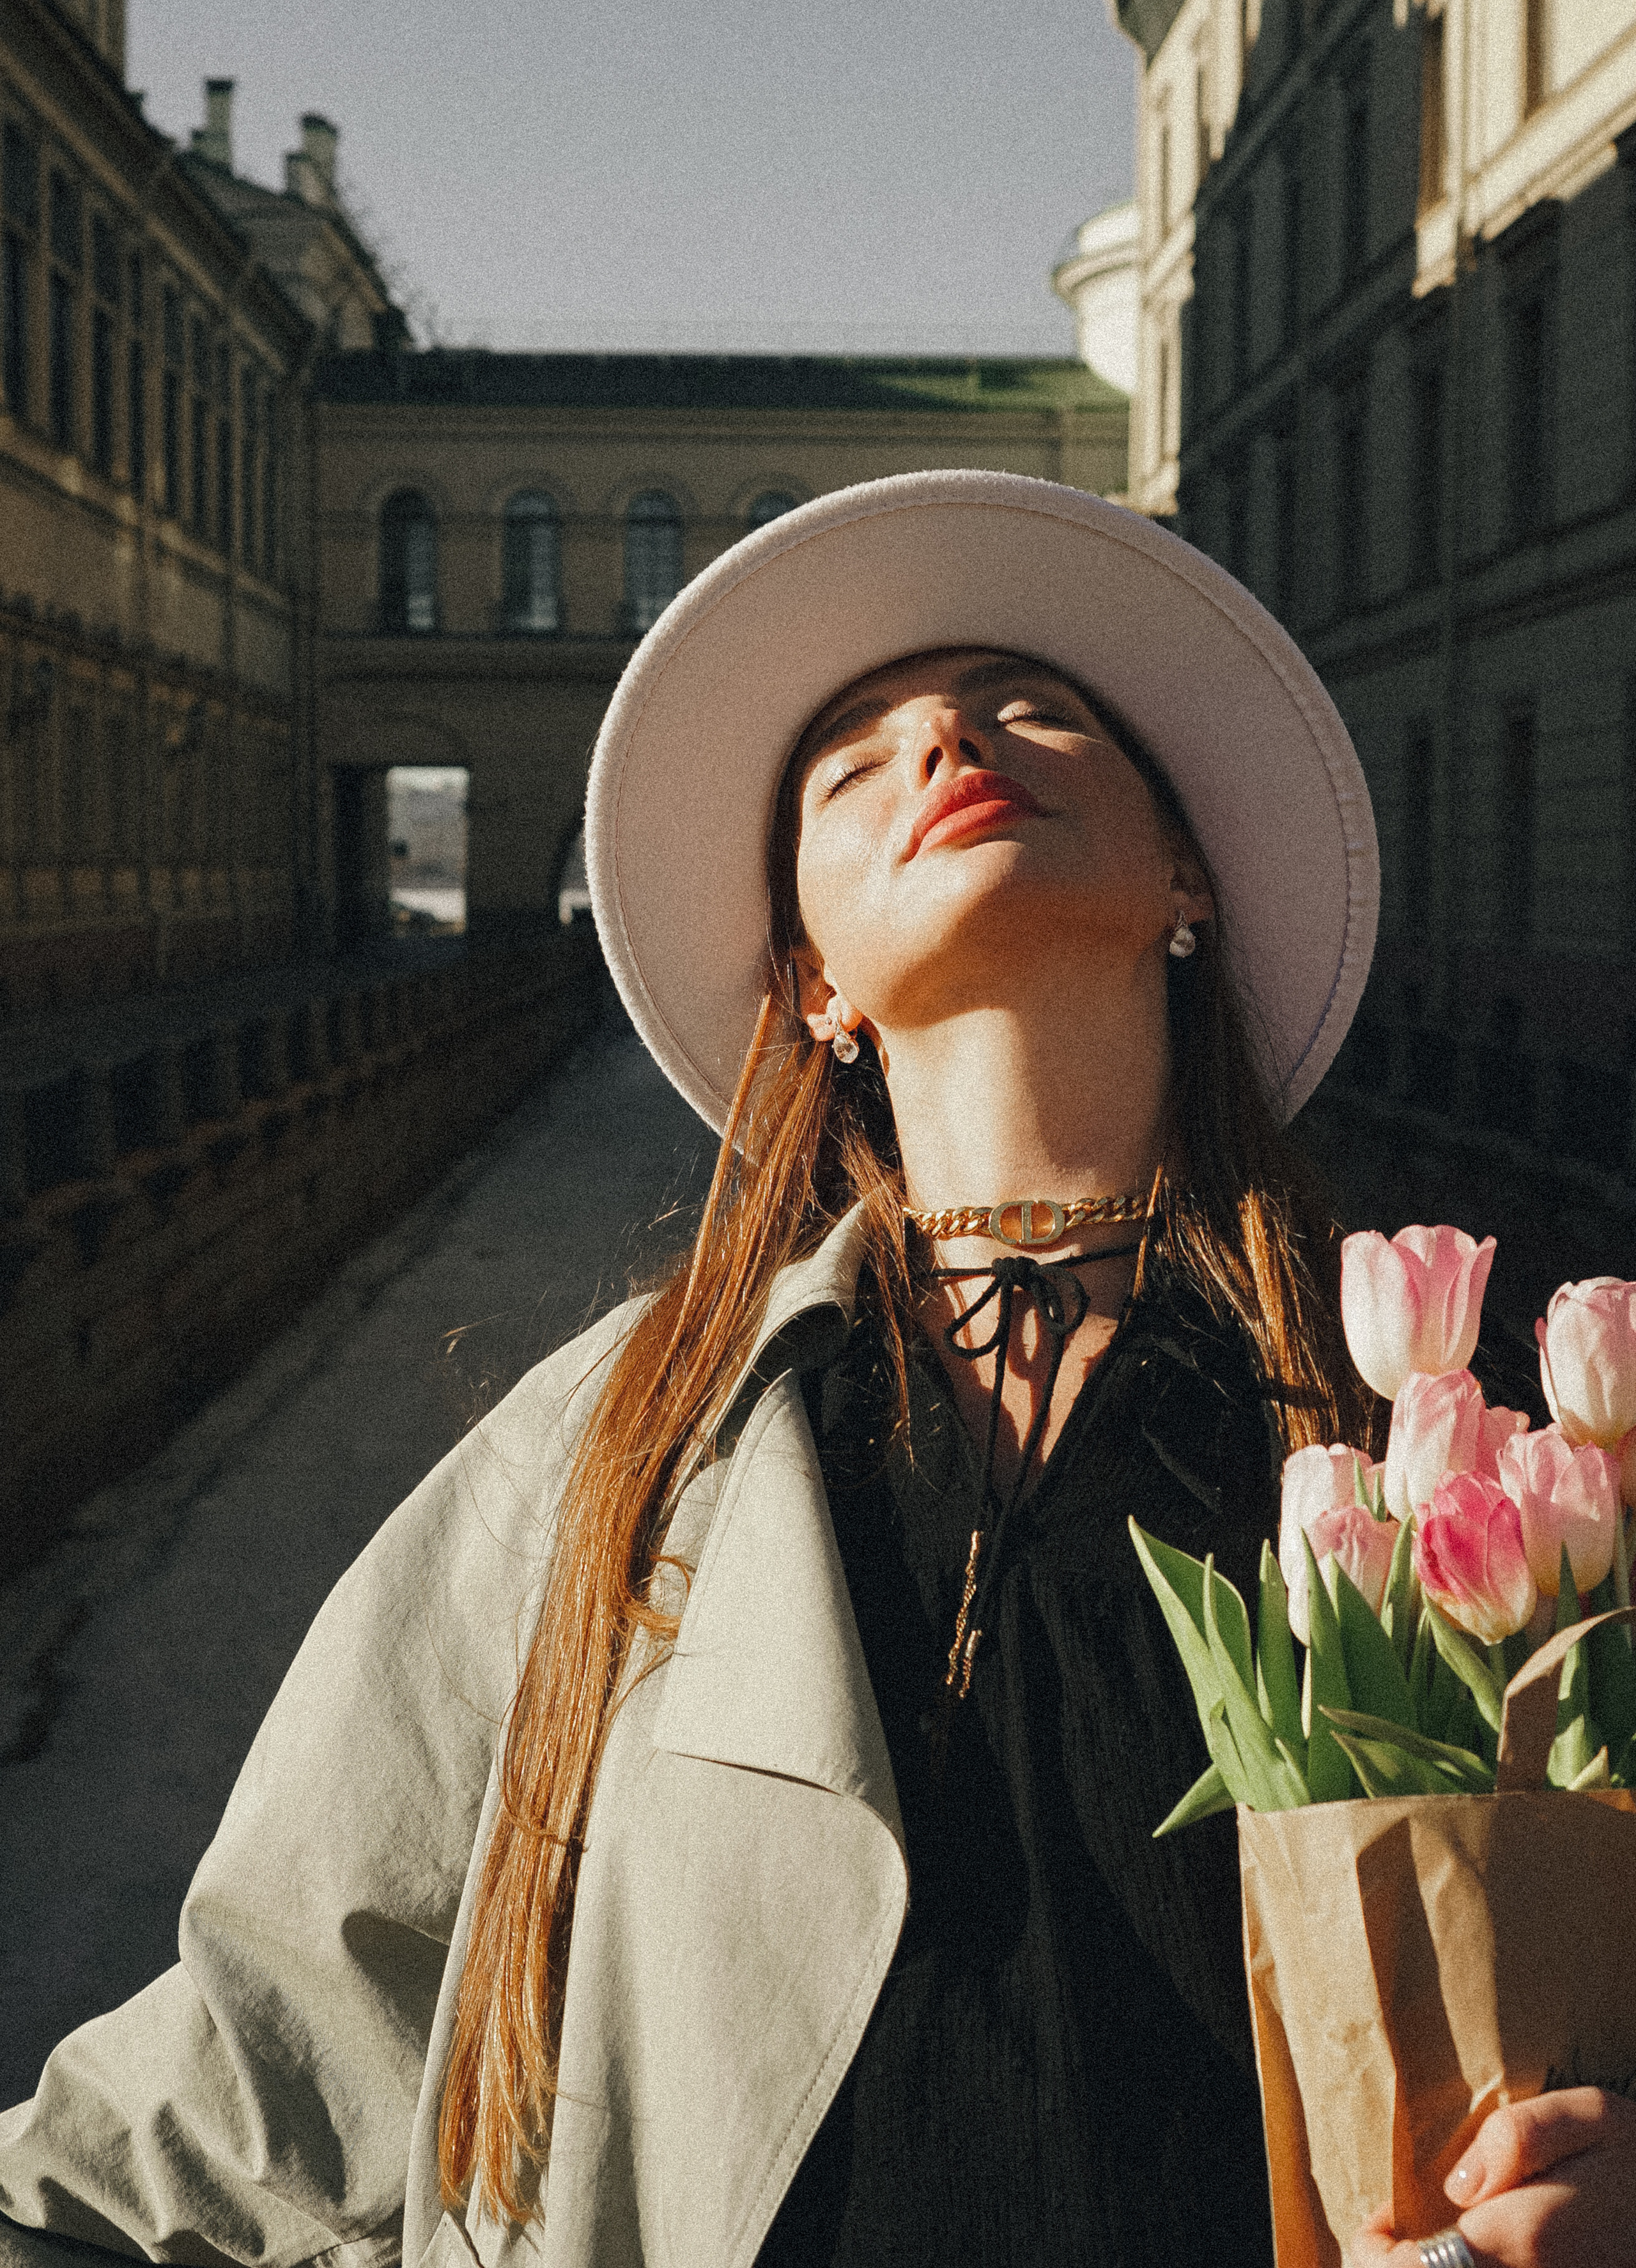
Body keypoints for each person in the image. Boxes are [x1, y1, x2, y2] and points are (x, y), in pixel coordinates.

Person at [1, 472, 1630, 2268]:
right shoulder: (614, 1450)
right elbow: (243, 2092)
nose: (945, 741)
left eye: (1038, 710)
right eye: (853, 767)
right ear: (812, 981)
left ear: (1188, 875)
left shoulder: (1475, 1445)